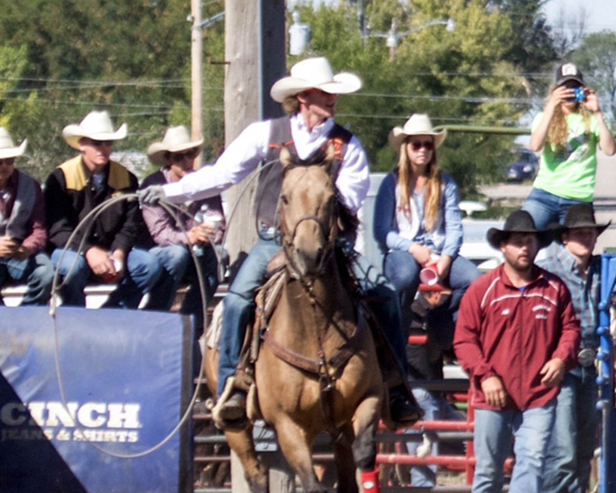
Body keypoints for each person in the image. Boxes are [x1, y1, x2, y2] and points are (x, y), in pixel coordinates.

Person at [138, 57, 421, 430]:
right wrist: (171, 193)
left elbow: (352, 201)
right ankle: (231, 388)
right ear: (303, 97)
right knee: (238, 301)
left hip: (330, 246)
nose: (332, 99)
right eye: (325, 92)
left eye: (333, 93)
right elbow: (222, 174)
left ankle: (396, 386)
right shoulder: (265, 133)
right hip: (274, 241)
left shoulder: (346, 147)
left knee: (382, 292)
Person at [454, 209, 580, 493]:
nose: (525, 248)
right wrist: (485, 375)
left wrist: (560, 357)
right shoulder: (483, 290)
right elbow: (464, 339)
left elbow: (570, 328)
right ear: (504, 247)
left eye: (530, 241)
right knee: (490, 465)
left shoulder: (554, 289)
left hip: (538, 393)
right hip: (491, 394)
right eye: (518, 242)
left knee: (533, 458)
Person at [536, 202, 611, 493]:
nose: (586, 237)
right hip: (561, 366)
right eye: (579, 232)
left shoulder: (601, 269)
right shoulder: (547, 268)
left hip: (590, 365)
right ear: (565, 237)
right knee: (564, 448)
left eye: (590, 232)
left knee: (582, 451)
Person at [45, 111, 169, 310]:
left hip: (112, 249)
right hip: (72, 249)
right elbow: (58, 230)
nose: (103, 149)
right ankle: (76, 316)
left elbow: (130, 225)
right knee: (72, 268)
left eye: (108, 143)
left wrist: (119, 252)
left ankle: (113, 312)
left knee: (149, 267)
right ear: (82, 145)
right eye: (96, 143)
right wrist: (89, 251)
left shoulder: (127, 178)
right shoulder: (60, 178)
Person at [372, 114, 480, 325]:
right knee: (405, 275)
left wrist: (446, 260)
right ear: (406, 148)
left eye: (428, 145)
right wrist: (414, 249)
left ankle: (437, 319)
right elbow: (381, 231)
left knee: (475, 279)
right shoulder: (390, 183)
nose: (423, 150)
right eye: (416, 145)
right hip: (403, 252)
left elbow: (455, 228)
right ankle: (396, 332)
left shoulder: (445, 183)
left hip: (439, 252)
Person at [140, 126, 225, 338]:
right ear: (168, 159)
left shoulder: (205, 183)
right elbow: (160, 234)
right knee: (177, 254)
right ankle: (156, 316)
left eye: (191, 154)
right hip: (160, 254)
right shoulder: (153, 186)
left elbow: (219, 222)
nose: (187, 161)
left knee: (220, 256)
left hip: (197, 251)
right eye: (180, 157)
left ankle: (191, 321)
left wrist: (209, 234)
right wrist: (189, 237)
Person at [524, 62, 616, 230]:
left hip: (578, 198)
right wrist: (551, 107)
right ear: (555, 91)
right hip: (545, 193)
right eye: (565, 88)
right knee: (522, 235)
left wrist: (597, 112)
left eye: (575, 88)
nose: (570, 93)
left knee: (578, 249)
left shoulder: (593, 118)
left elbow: (610, 150)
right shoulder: (543, 117)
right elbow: (535, 146)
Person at [0, 126, 55, 307]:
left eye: (9, 160)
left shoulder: (31, 185)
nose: (5, 166)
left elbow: (39, 229)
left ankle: (27, 315)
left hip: (20, 252)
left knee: (46, 274)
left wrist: (27, 248)